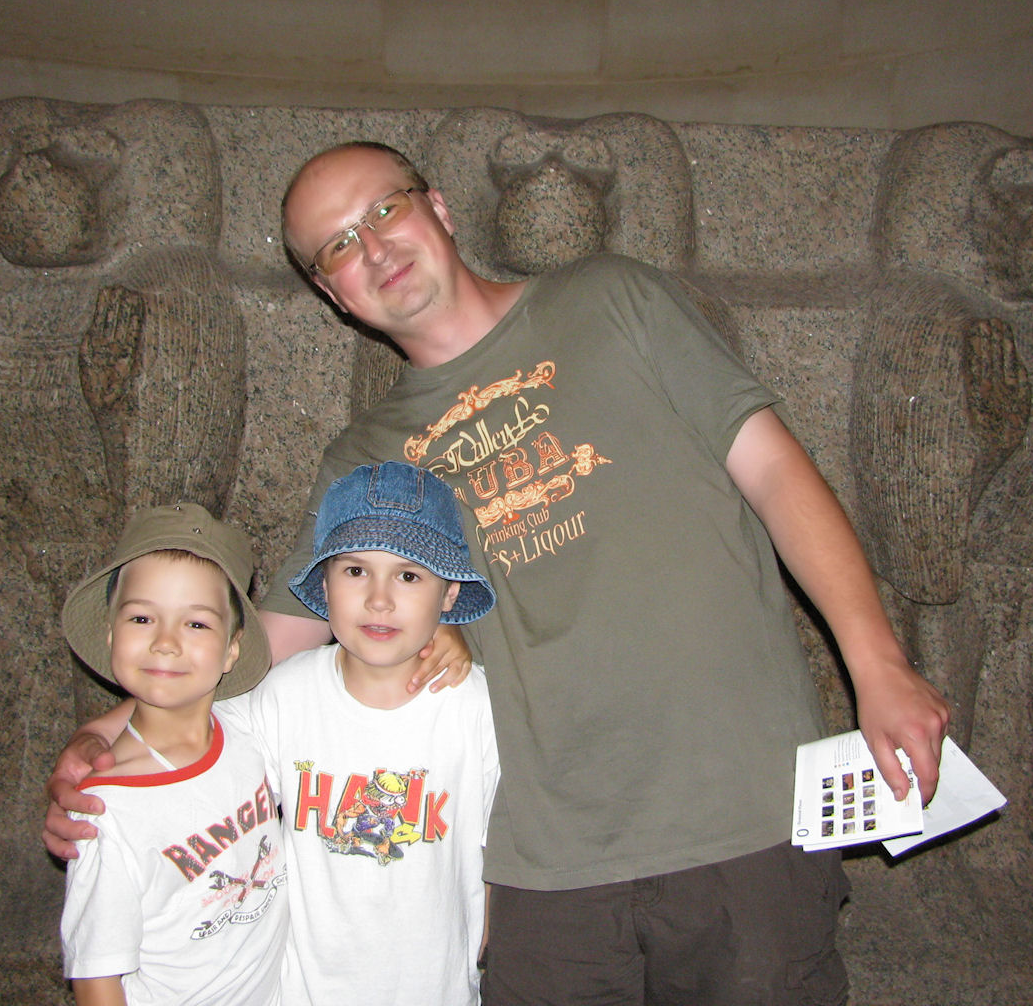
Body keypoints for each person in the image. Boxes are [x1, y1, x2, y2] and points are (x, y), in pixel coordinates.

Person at [51, 141, 950, 1005]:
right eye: (338, 246)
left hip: (740, 814)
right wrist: (113, 738)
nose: (373, 248)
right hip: (539, 866)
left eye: (384, 210)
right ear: (331, 293)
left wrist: (876, 664)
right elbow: (267, 641)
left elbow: (774, 471)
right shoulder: (367, 459)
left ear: (439, 208)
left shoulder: (614, 299)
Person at [217, 459, 498, 1005]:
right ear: (324, 583)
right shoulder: (281, 697)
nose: (379, 599)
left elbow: (501, 848)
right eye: (354, 570)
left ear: (448, 595)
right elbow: (190, 746)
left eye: (409, 575)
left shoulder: (476, 708)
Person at [57, 503, 288, 1006]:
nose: (165, 642)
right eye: (142, 618)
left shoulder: (249, 729)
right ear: (111, 633)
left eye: (197, 624)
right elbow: (96, 978)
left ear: (232, 648)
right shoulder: (107, 810)